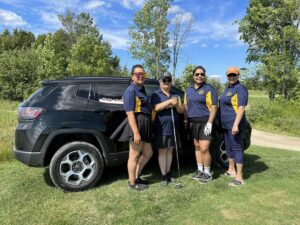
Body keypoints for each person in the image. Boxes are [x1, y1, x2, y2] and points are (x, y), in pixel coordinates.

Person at [120, 64, 153, 190]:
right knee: (134, 156)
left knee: (148, 152)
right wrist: (136, 132)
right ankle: (132, 183)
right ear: (132, 76)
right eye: (138, 74)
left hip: (145, 124)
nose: (141, 76)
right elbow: (129, 113)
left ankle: (136, 176)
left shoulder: (141, 88)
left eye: (143, 74)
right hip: (137, 124)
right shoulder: (131, 90)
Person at [184, 66, 218, 184]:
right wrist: (185, 120)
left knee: (204, 148)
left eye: (202, 74)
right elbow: (185, 107)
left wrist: (210, 122)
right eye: (197, 74)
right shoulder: (188, 90)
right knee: (197, 147)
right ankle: (200, 171)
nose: (199, 76)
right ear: (193, 76)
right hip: (193, 122)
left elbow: (214, 106)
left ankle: (207, 173)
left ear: (204, 76)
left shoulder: (210, 89)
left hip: (205, 122)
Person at [151, 72, 184, 187]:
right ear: (160, 82)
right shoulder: (156, 94)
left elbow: (181, 110)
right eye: (164, 80)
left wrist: (176, 105)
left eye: (168, 80)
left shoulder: (175, 94)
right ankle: (164, 175)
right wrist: (169, 102)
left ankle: (169, 172)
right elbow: (156, 108)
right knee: (162, 151)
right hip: (162, 127)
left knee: (170, 150)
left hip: (174, 127)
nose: (166, 82)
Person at [219, 66, 248, 186]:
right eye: (229, 75)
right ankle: (231, 170)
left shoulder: (240, 88)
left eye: (234, 75)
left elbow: (241, 108)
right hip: (226, 125)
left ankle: (239, 177)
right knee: (229, 148)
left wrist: (235, 124)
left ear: (238, 75)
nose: (231, 77)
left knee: (236, 148)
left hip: (234, 124)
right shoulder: (228, 88)